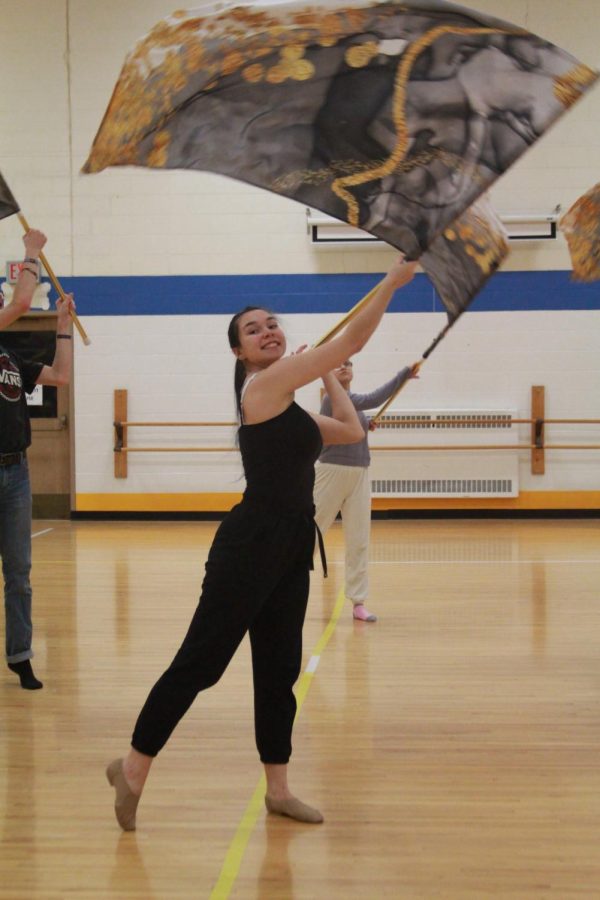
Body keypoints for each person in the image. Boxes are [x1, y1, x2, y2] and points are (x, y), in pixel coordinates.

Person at [105, 255, 417, 831]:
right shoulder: (263, 387)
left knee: (279, 671)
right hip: (249, 547)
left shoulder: (290, 405)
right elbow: (354, 333)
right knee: (201, 663)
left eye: (272, 323)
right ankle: (133, 768)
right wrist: (391, 284)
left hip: (291, 547)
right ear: (240, 352)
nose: (268, 331)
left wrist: (328, 375)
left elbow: (350, 431)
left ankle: (278, 789)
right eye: (254, 329)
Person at [0, 229, 76, 689]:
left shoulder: (8, 356)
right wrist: (31, 252)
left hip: (17, 473)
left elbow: (61, 377)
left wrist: (62, 324)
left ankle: (20, 656)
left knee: (20, 574)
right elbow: (22, 304)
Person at [314, 360, 418, 623]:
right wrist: (402, 375)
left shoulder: (352, 406)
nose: (344, 367)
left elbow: (355, 416)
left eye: (348, 363)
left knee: (359, 539)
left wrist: (365, 424)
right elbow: (372, 398)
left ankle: (358, 601)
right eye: (337, 364)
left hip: (360, 473)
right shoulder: (331, 399)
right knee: (309, 534)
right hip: (331, 473)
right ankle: (283, 588)